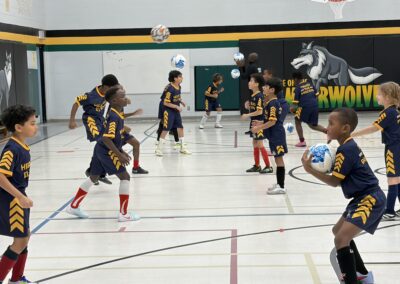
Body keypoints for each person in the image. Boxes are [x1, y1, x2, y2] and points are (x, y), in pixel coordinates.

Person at [301, 108, 385, 284]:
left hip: (370, 198)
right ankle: (361, 274)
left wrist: (309, 170)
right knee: (337, 231)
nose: (328, 127)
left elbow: (333, 182)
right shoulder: (345, 147)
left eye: (332, 124)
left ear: (345, 128)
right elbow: (340, 177)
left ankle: (353, 280)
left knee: (341, 239)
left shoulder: (346, 150)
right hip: (361, 198)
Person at [66, 86, 140, 222]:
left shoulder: (116, 112)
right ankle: (124, 214)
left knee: (93, 177)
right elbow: (107, 138)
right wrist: (118, 154)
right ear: (114, 100)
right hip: (106, 150)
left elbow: (114, 136)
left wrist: (121, 150)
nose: (126, 99)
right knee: (125, 177)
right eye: (123, 97)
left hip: (100, 148)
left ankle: (74, 206)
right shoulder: (113, 116)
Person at [352, 81, 400, 220]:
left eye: (379, 94)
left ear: (388, 96)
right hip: (397, 146)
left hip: (393, 148)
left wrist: (352, 134)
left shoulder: (388, 113)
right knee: (397, 178)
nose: (377, 96)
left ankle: (389, 211)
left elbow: (373, 128)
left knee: (392, 179)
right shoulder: (395, 111)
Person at [0, 105, 37, 284]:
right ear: (18, 127)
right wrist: (20, 197)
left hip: (18, 196)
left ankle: (16, 278)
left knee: (25, 236)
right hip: (12, 199)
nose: (35, 126)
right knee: (21, 240)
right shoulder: (12, 149)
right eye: (32, 123)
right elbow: (0, 176)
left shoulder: (23, 147)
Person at [69, 74, 119, 185]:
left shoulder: (107, 95)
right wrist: (72, 120)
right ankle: (95, 172)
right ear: (105, 86)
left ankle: (94, 172)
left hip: (100, 121)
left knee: (104, 144)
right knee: (102, 143)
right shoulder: (90, 95)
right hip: (90, 121)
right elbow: (76, 103)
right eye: (112, 88)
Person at [252, 77, 287, 194]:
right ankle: (279, 184)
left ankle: (281, 186)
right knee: (277, 160)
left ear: (272, 90)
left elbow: (272, 122)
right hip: (273, 135)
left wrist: (258, 128)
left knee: (279, 160)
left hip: (277, 136)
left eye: (266, 87)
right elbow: (271, 120)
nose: (263, 88)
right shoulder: (270, 103)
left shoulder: (273, 104)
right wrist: (261, 122)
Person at [241, 73, 272, 174]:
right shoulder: (253, 95)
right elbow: (255, 108)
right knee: (254, 143)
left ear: (256, 84)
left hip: (258, 124)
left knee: (260, 144)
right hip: (253, 123)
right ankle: (257, 165)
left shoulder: (259, 96)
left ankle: (268, 166)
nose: (249, 83)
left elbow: (260, 111)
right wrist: (248, 106)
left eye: (251, 81)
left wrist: (247, 114)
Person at [155, 70, 191, 156]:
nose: (182, 78)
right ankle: (159, 149)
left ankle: (183, 148)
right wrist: (176, 106)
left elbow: (177, 97)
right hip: (168, 110)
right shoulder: (170, 88)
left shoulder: (179, 86)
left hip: (175, 110)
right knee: (166, 129)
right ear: (175, 78)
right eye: (180, 76)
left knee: (180, 127)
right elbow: (165, 102)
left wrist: (181, 101)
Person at [291, 72, 327, 147]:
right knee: (313, 125)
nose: (294, 82)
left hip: (305, 107)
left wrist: (291, 110)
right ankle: (327, 131)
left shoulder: (297, 88)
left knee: (297, 121)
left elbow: (294, 105)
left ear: (296, 79)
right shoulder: (309, 84)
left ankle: (302, 141)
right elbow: (317, 96)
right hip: (314, 106)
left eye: (293, 80)